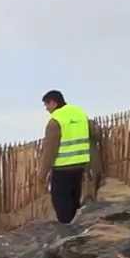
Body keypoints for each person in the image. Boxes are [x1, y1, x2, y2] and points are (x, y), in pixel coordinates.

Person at [39, 89, 93, 223]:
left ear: (53, 102)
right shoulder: (80, 113)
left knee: (61, 203)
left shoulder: (55, 121)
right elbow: (94, 133)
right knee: (74, 200)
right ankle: (75, 228)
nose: (46, 109)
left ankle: (67, 233)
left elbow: (50, 151)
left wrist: (42, 174)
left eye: (46, 105)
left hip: (62, 168)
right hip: (80, 165)